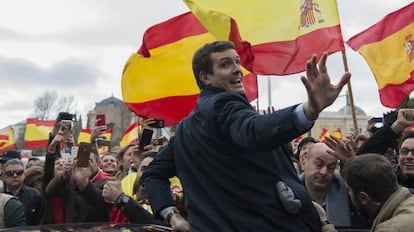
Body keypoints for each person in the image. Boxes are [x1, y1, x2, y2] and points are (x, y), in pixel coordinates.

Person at [143, 41, 350, 231]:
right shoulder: (223, 104)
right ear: (205, 77)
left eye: (237, 62)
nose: (237, 70)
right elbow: (253, 129)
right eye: (225, 65)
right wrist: (309, 110)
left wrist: (171, 215)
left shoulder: (186, 129)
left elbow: (152, 174)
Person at [300, 143, 367, 227]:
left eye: (331, 168)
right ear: (304, 162)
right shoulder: (288, 193)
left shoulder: (349, 193)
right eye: (318, 164)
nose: (323, 172)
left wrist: (353, 164)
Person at [2, 158, 44, 225]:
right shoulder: (1, 196)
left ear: (24, 175)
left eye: (19, 173)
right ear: (3, 176)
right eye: (10, 173)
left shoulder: (35, 195)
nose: (15, 175)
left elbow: (40, 222)